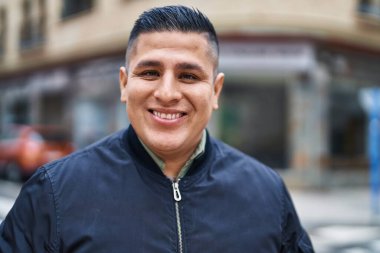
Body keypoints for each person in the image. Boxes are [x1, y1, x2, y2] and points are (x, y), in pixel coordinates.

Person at [0, 5, 314, 253]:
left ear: (215, 91)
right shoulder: (53, 193)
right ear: (124, 84)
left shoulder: (267, 193)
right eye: (150, 72)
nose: (166, 93)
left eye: (188, 76)